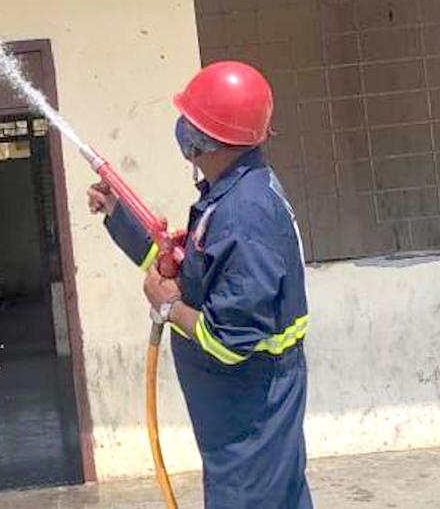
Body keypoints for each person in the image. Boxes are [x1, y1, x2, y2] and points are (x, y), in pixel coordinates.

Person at [87, 61, 312, 508]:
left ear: (213, 137)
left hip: (251, 412)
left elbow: (230, 339)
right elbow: (190, 272)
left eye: (191, 121)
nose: (182, 128)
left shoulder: (244, 215)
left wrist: (169, 308)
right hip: (239, 411)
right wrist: (119, 215)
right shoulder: (229, 193)